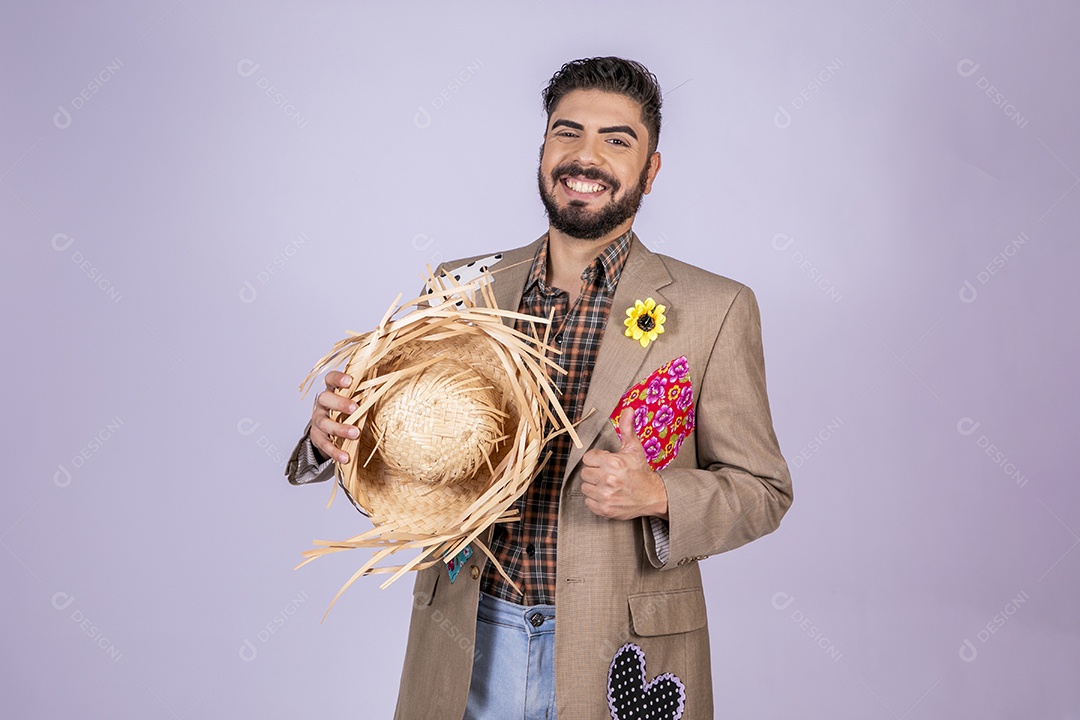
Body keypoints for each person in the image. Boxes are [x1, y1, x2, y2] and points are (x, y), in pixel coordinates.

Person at [286, 56, 792, 720]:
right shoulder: (462, 286)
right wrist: (333, 440)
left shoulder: (714, 308)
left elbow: (764, 489)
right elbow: (406, 461)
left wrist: (660, 493)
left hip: (618, 648)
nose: (585, 156)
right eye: (567, 131)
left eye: (617, 139)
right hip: (467, 642)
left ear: (652, 169)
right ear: (543, 145)